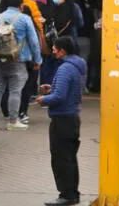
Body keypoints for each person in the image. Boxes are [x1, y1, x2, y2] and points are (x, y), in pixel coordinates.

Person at [36, 36, 86, 206]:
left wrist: (43, 99)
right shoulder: (78, 65)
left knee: (61, 159)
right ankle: (73, 193)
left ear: (62, 50)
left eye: (55, 48)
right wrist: (52, 89)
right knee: (70, 158)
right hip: (72, 118)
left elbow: (60, 96)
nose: (53, 51)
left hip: (62, 119)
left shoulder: (65, 68)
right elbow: (68, 90)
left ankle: (66, 195)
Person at [0, 0, 42, 131]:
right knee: (15, 91)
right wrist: (37, 59)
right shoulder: (24, 19)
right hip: (18, 59)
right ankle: (13, 121)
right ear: (21, 6)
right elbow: (34, 41)